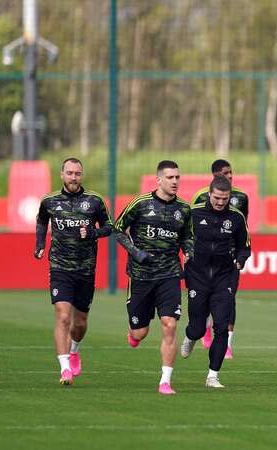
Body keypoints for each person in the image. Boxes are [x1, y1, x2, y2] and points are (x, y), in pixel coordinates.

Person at [115, 160, 194, 395]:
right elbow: (117, 229)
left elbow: (187, 237)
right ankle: (133, 332)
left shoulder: (184, 209)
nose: (175, 181)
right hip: (141, 276)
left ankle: (165, 381)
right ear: (158, 180)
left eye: (177, 177)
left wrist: (189, 250)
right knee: (140, 332)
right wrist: (136, 252)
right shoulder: (140, 204)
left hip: (169, 274)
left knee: (170, 325)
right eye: (170, 178)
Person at [34, 158, 113, 386]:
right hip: (60, 267)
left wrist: (92, 233)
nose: (73, 177)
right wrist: (40, 244)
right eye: (69, 173)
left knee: (79, 323)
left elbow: (109, 227)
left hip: (86, 269)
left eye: (77, 173)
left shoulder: (95, 201)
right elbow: (41, 221)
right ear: (62, 175)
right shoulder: (49, 201)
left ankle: (75, 349)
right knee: (62, 316)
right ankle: (65, 367)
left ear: (82, 175)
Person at [180, 176, 251, 388]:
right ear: (209, 194)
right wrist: (184, 258)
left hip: (224, 277)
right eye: (217, 198)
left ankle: (213, 375)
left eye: (225, 199)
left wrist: (240, 260)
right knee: (197, 328)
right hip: (198, 276)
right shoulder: (194, 213)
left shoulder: (237, 217)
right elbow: (181, 238)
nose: (221, 202)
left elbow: (244, 246)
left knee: (221, 327)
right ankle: (191, 337)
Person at [191, 159, 249, 359]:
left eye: (231, 172)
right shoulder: (198, 197)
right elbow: (192, 229)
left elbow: (243, 227)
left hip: (229, 260)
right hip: (203, 261)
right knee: (204, 302)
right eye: (226, 172)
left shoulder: (241, 197)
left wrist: (239, 257)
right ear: (216, 176)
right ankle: (203, 328)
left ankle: (228, 345)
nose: (230, 176)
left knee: (228, 301)